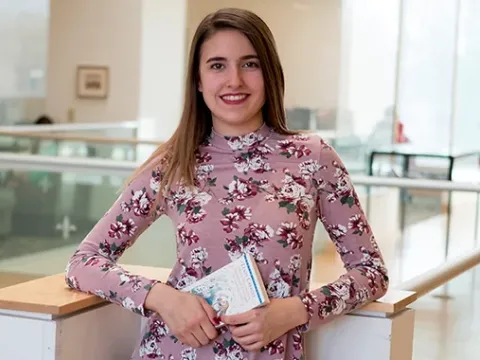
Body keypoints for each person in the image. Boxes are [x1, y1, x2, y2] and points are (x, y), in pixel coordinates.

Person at [65, 7, 389, 360]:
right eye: (217, 65)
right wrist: (163, 298)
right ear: (199, 81)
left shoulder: (313, 158)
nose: (234, 80)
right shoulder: (173, 164)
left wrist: (297, 311)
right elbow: (83, 262)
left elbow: (371, 272)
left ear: (270, 74)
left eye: (250, 64)